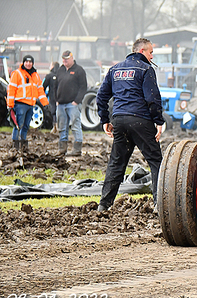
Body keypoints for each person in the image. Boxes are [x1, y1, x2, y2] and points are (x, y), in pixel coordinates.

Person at [96, 38, 164, 212]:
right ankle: (158, 205)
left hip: (119, 120)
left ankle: (104, 205)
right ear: (141, 52)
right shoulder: (146, 69)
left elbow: (101, 97)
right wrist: (158, 121)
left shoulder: (115, 69)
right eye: (151, 52)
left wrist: (105, 119)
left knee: (116, 163)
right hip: (140, 120)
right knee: (156, 161)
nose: (152, 56)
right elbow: (152, 98)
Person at [6, 55, 49, 151]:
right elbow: (11, 89)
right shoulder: (17, 73)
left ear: (33, 63)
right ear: (23, 62)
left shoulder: (35, 75)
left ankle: (23, 146)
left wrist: (45, 103)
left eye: (30, 62)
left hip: (31, 105)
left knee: (25, 126)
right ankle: (16, 147)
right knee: (18, 125)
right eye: (26, 62)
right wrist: (10, 104)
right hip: (20, 104)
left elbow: (40, 90)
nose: (28, 64)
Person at [56, 51, 87, 156]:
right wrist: (56, 99)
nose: (65, 61)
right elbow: (55, 85)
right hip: (61, 104)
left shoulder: (79, 70)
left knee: (75, 126)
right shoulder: (60, 70)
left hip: (72, 104)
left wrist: (76, 101)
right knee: (62, 127)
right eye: (63, 59)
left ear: (72, 58)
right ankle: (62, 149)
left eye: (67, 59)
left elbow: (83, 87)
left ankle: (77, 149)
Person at [43, 61, 60, 134]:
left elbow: (43, 86)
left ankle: (55, 126)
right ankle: (59, 126)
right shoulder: (61, 75)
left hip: (52, 96)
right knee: (59, 111)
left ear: (52, 66)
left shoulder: (49, 75)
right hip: (61, 96)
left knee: (53, 111)